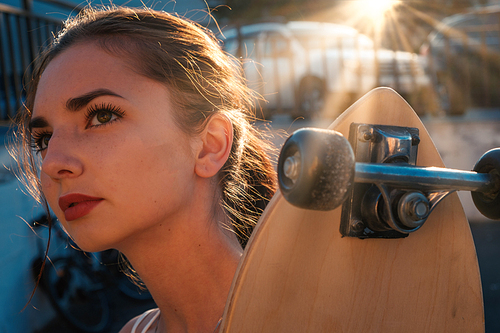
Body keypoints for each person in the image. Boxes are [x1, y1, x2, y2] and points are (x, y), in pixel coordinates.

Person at [12, 6, 276, 333]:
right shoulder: (134, 330)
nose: (52, 162)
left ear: (210, 145)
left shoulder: (323, 317)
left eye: (102, 116)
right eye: (44, 138)